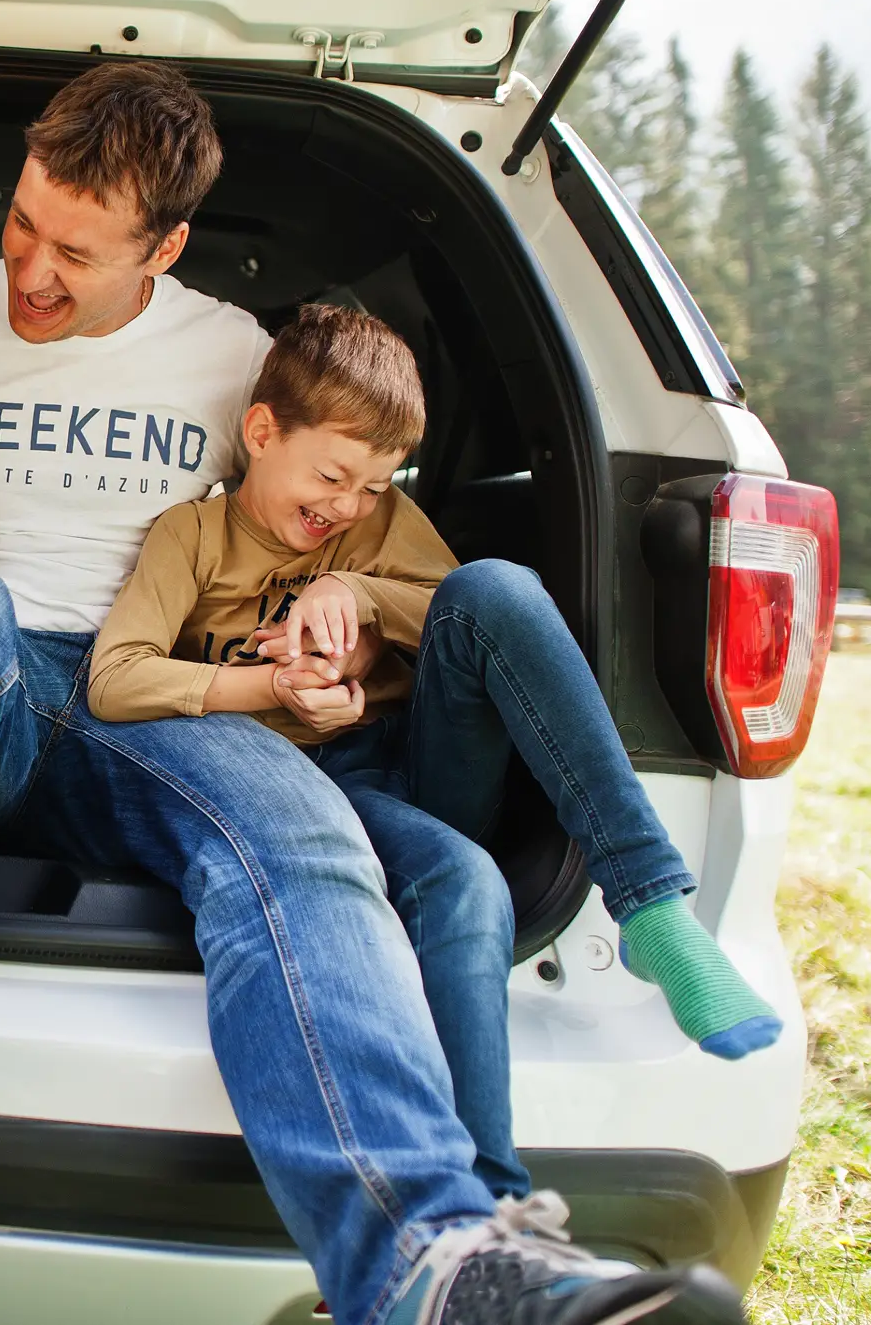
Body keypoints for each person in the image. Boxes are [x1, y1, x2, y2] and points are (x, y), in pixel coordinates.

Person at [0, 64, 750, 1325]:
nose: (29, 270)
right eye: (23, 223)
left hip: (133, 689)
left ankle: (435, 1260)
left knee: (306, 836)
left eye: (77, 252)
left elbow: (348, 544)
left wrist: (343, 650)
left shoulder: (236, 361)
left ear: (166, 245)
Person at [87, 302, 781, 1205]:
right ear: (262, 432)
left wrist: (357, 594)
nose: (347, 505)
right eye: (334, 475)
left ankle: (649, 902)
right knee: (470, 883)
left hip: (402, 771)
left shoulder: (375, 526)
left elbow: (468, 613)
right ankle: (487, 1193)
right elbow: (114, 680)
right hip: (285, 798)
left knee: (496, 585)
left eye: (376, 484)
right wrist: (273, 690)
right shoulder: (194, 537)